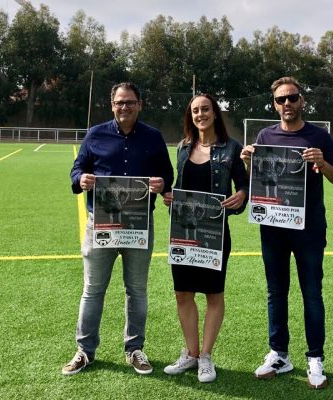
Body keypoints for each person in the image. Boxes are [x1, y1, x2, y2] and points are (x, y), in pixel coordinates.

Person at [240, 77, 333, 389]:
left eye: (291, 98)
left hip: (310, 230)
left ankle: (315, 358)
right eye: (280, 100)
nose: (286, 104)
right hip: (273, 228)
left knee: (311, 294)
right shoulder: (265, 135)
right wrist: (249, 164)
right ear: (274, 105)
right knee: (276, 293)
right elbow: (258, 185)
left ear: (302, 101)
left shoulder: (319, 136)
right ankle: (279, 354)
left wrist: (323, 164)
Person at [64, 82, 174, 376]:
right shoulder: (96, 134)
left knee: (136, 290)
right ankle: (85, 351)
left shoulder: (153, 137)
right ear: (111, 104)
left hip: (138, 225)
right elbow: (77, 170)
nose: (124, 107)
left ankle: (134, 349)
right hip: (101, 223)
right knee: (93, 290)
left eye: (130, 102)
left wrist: (162, 184)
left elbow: (167, 175)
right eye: (119, 102)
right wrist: (82, 179)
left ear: (140, 104)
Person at [161, 93, 248, 383]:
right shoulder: (183, 148)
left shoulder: (231, 149)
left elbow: (244, 186)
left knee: (213, 294)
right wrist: (170, 197)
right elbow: (179, 187)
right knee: (182, 294)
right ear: (191, 116)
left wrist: (242, 196)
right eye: (196, 110)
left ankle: (207, 356)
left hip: (215, 233)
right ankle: (192, 353)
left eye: (206, 109)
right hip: (184, 233)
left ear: (215, 113)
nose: (201, 114)